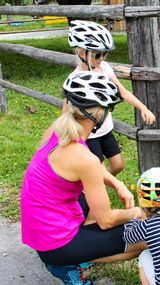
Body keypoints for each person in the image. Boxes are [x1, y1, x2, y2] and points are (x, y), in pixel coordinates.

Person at [20, 71, 147, 285]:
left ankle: (78, 251)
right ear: (98, 115)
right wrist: (136, 213)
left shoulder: (57, 130)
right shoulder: (84, 159)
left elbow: (87, 165)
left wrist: (116, 183)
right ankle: (68, 264)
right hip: (55, 246)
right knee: (146, 238)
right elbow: (106, 221)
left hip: (41, 232)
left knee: (86, 196)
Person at [64, 20, 156, 175]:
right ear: (82, 53)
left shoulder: (104, 69)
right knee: (95, 170)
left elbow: (123, 91)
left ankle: (93, 185)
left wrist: (143, 108)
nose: (101, 58)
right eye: (97, 54)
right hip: (88, 135)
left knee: (118, 165)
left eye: (104, 54)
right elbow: (65, 112)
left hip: (105, 130)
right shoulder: (75, 80)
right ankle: (91, 187)